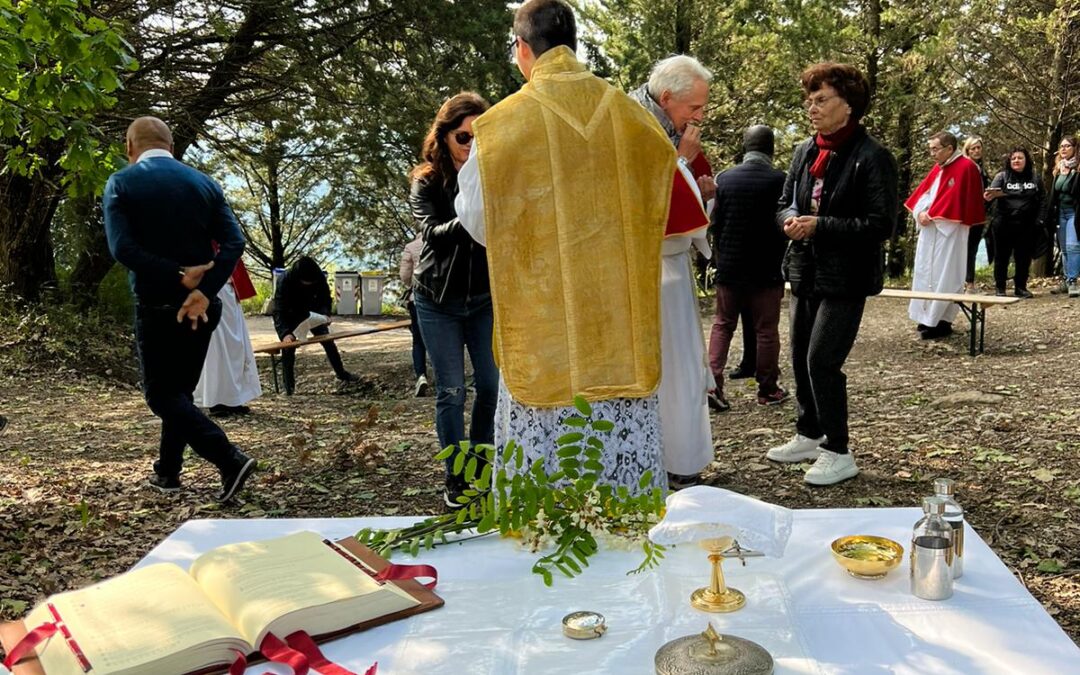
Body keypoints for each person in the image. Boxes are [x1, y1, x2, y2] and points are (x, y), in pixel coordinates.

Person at [456, 0, 700, 494]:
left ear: (522, 48)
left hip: (543, 320)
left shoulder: (503, 126)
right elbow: (660, 210)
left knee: (545, 493)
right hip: (617, 320)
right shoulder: (636, 120)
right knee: (618, 480)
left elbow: (482, 224)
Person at [103, 116, 257, 502]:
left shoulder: (122, 183)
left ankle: (228, 458)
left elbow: (122, 250)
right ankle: (167, 472)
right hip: (203, 308)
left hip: (157, 304)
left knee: (160, 396)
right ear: (170, 146)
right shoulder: (204, 183)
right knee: (179, 394)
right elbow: (234, 243)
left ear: (129, 147)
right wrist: (204, 290)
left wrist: (176, 276)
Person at [767, 63, 898, 486]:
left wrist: (820, 224)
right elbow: (786, 200)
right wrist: (790, 219)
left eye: (821, 99)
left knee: (822, 359)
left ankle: (839, 450)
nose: (812, 107)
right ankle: (809, 432)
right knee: (800, 355)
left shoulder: (873, 157)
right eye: (809, 99)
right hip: (805, 269)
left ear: (849, 105)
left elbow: (881, 224)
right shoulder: (805, 150)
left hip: (847, 276)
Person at [409, 92, 498, 508]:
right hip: (436, 300)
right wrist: (473, 212)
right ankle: (456, 475)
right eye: (465, 137)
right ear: (444, 136)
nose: (472, 146)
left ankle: (481, 466)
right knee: (451, 391)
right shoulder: (426, 181)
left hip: (483, 299)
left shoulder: (494, 175)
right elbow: (432, 235)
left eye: (480, 137)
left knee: (492, 386)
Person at [632, 54, 716, 488]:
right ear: (666, 98)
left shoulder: (672, 128)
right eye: (694, 108)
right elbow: (642, 197)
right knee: (667, 364)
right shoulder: (632, 123)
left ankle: (682, 455)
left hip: (672, 263)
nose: (699, 116)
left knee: (682, 361)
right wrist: (680, 160)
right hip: (647, 269)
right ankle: (664, 457)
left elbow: (691, 191)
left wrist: (704, 190)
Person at [709, 125, 789, 410]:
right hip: (766, 268)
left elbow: (713, 222)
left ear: (745, 147)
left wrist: (719, 257)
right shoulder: (782, 180)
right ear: (772, 148)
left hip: (730, 267)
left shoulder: (724, 179)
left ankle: (713, 384)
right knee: (766, 330)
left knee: (722, 324)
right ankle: (767, 390)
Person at [905, 132, 986, 339]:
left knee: (946, 274)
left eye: (935, 149)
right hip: (930, 230)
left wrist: (933, 216)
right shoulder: (939, 168)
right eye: (930, 149)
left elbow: (961, 203)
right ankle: (926, 317)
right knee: (926, 272)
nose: (932, 153)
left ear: (949, 149)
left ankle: (941, 321)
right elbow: (925, 194)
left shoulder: (967, 168)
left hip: (950, 232)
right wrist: (920, 213)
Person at [272, 256, 357, 395]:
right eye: (307, 282)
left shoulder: (318, 277)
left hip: (313, 315)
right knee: (288, 349)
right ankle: (288, 387)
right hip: (291, 316)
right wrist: (285, 333)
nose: (310, 284)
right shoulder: (285, 280)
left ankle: (341, 373)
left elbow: (325, 299)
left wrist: (325, 315)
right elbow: (279, 310)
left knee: (328, 342)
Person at [194, 256, 262, 416]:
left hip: (229, 288)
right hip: (212, 287)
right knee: (216, 346)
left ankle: (233, 398)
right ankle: (216, 399)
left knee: (235, 346)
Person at [985, 147, 1042, 298]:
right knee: (1001, 256)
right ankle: (1000, 288)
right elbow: (989, 197)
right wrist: (987, 198)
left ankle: (1021, 287)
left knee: (1023, 257)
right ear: (1009, 161)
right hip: (1003, 223)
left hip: (1027, 225)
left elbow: (1042, 200)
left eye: (1020, 158)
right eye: (1013, 158)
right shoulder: (1002, 176)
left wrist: (1040, 220)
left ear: (1026, 160)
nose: (1016, 161)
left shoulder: (1035, 178)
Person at [399, 234, 430, 397]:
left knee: (418, 340)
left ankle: (421, 376)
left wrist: (413, 283)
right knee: (445, 339)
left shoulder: (412, 247)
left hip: (419, 299)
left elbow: (404, 276)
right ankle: (447, 379)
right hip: (446, 300)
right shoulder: (449, 239)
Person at [1050, 136, 1080, 297]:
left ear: (1075, 148)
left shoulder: (1078, 169)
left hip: (1074, 213)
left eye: (1067, 146)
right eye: (1061, 146)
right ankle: (1067, 280)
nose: (1063, 149)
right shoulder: (1058, 168)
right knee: (1064, 250)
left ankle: (1073, 282)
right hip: (1060, 213)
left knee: (1073, 246)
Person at [962, 136, 991, 292]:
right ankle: (968, 283)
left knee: (972, 248)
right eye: (972, 148)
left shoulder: (981, 168)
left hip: (979, 213)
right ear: (967, 150)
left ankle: (969, 282)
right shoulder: (966, 166)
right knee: (967, 249)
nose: (976, 151)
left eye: (978, 147)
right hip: (968, 215)